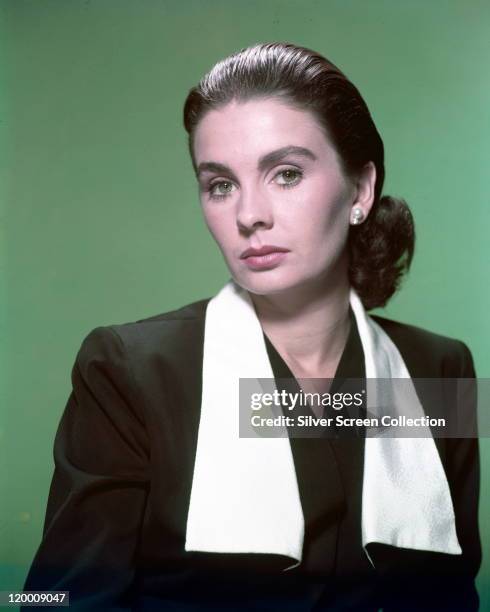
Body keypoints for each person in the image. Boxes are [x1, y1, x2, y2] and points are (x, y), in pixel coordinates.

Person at [23, 42, 481, 611]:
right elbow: (56, 599)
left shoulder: (441, 369)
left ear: (360, 190)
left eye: (286, 173)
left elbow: (450, 594)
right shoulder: (129, 370)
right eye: (220, 184)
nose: (248, 215)